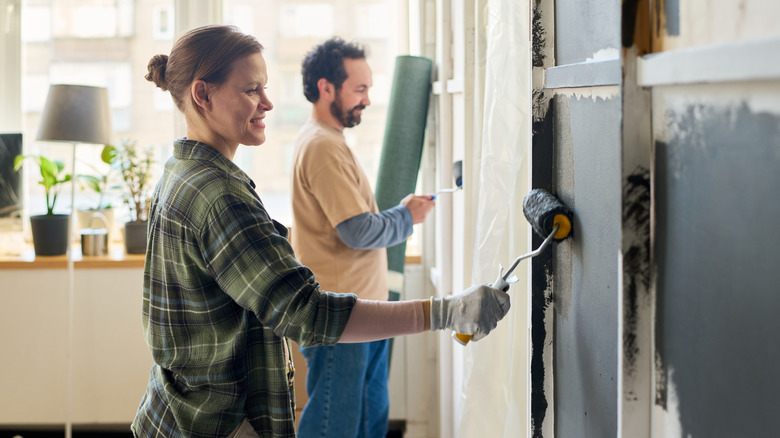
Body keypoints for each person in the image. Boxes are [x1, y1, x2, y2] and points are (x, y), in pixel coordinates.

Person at [133, 25, 510, 438]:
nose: (268, 103)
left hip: (180, 412)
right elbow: (308, 310)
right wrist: (447, 312)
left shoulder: (183, 172)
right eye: (251, 90)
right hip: (213, 423)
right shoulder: (220, 194)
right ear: (202, 95)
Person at [290, 37, 434, 438]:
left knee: (369, 415)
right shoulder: (321, 147)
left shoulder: (332, 140)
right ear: (326, 88)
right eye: (360, 89)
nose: (367, 100)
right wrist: (408, 216)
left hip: (363, 312)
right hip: (341, 316)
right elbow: (357, 231)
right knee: (333, 423)